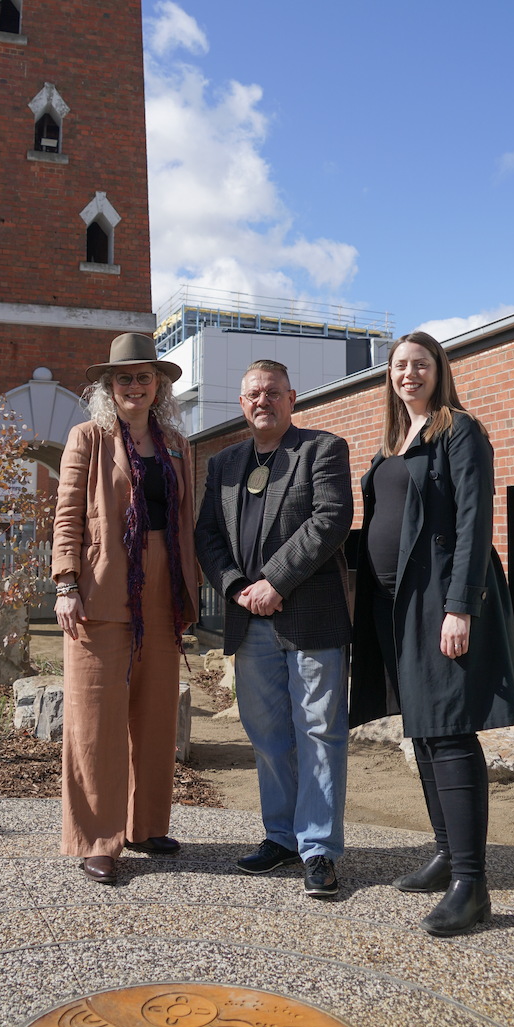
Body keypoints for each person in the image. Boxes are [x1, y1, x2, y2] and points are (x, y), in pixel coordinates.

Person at [349, 331, 514, 936]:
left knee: (448, 732)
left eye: (420, 364)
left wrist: (459, 606)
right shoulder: (396, 440)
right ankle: (447, 854)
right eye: (399, 366)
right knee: (422, 730)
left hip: (438, 604)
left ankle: (472, 886)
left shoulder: (459, 430)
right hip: (393, 606)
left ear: (439, 370)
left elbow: (474, 520)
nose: (409, 374)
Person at [195, 359, 353, 899]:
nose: (262, 400)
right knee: (267, 735)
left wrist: (275, 582)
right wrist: (238, 587)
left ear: (292, 398)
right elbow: (207, 535)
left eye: (272, 392)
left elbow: (330, 520)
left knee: (319, 732)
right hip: (249, 617)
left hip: (310, 619)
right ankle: (281, 837)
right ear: (242, 404)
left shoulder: (322, 449)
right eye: (253, 394)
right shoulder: (223, 464)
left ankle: (318, 849)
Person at [52, 333, 200, 885]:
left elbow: (186, 518)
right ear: (108, 387)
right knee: (96, 719)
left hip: (165, 587)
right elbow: (67, 511)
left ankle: (146, 825)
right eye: (124, 378)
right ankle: (97, 839)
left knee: (157, 714)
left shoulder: (177, 444)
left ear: (158, 385)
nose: (134, 386)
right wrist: (65, 582)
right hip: (102, 585)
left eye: (144, 377)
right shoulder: (88, 437)